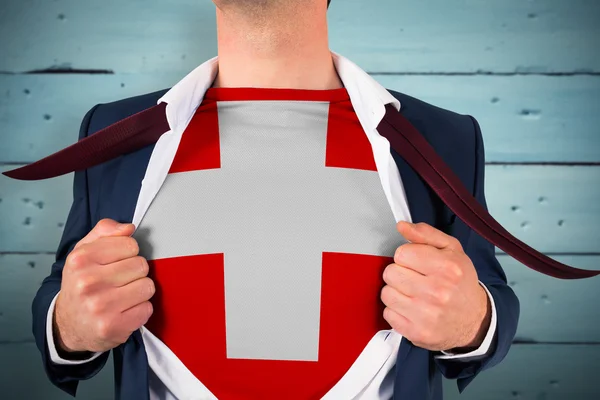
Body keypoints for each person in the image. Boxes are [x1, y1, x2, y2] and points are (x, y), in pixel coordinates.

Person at [30, 0, 520, 399]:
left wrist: (472, 320)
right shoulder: (113, 132)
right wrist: (69, 325)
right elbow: (65, 285)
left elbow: (488, 295)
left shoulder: (443, 137)